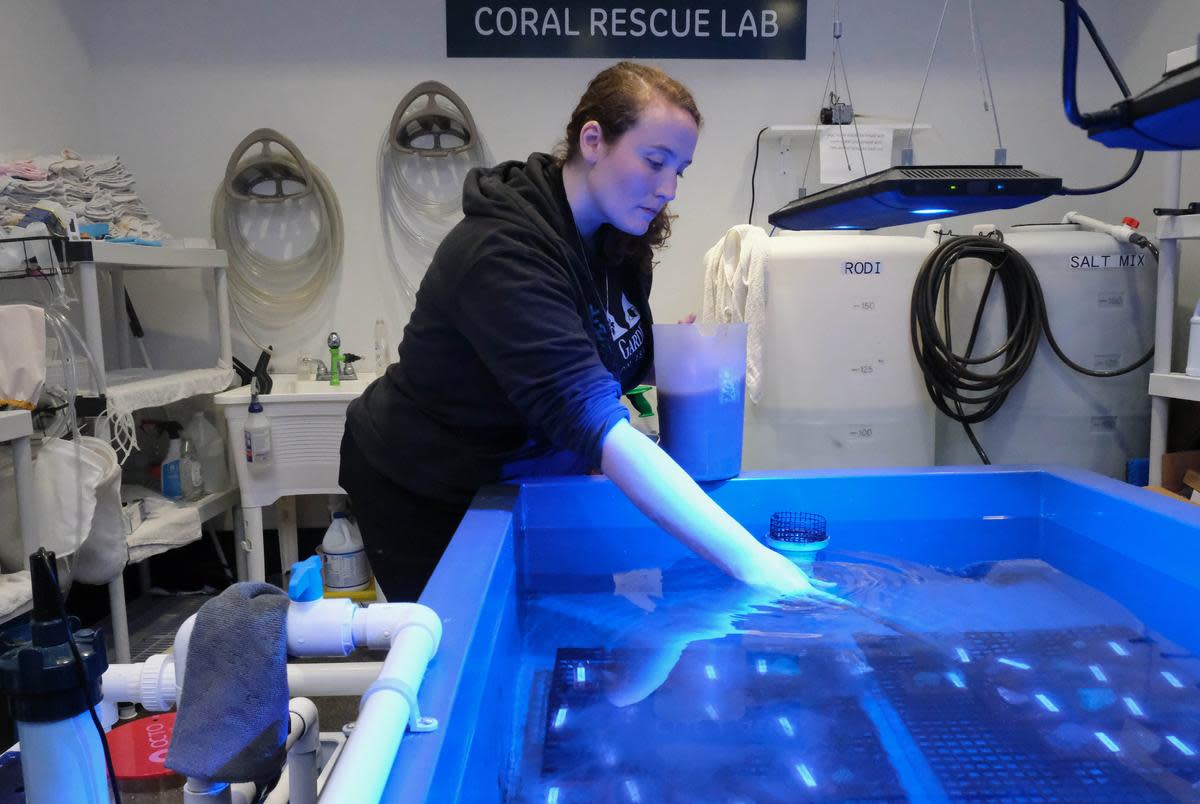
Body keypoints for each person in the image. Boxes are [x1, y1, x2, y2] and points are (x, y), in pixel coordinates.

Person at [341, 61, 816, 601]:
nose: (668, 189)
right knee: (471, 641)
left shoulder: (620, 238)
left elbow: (597, 356)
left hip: (526, 466)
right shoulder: (502, 254)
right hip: (424, 484)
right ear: (593, 140)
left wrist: (667, 355)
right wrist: (755, 564)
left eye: (679, 170)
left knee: (576, 627)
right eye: (654, 160)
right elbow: (592, 418)